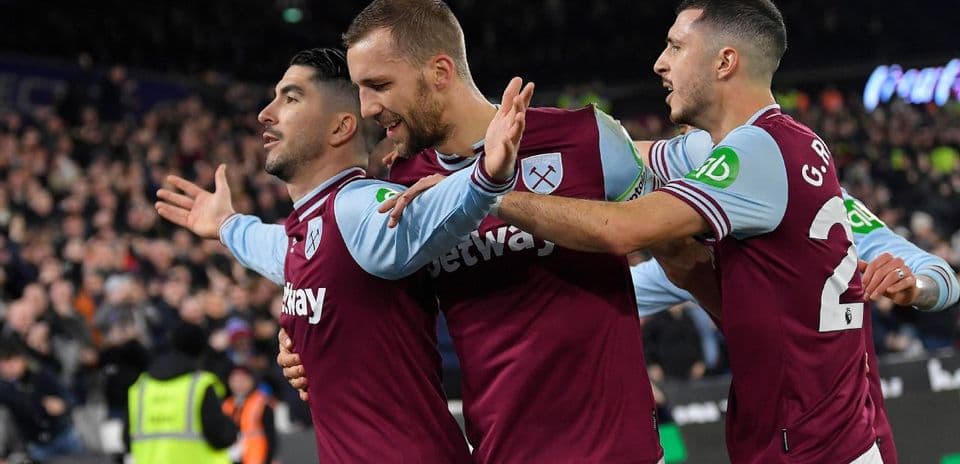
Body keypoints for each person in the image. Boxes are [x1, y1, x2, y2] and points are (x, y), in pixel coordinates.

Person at [465, 0, 888, 460]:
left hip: (811, 446)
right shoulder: (778, 142)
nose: (659, 63)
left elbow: (622, 230)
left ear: (725, 62)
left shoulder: (755, 151)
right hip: (818, 429)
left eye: (675, 46)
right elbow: (621, 153)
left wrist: (486, 193)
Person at [154, 47, 530, 462]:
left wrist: (485, 178)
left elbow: (419, 213)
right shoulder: (309, 231)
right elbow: (274, 248)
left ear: (341, 128)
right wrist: (227, 226)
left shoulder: (357, 207)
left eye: (291, 98)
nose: (266, 112)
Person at [125, 322, 237, 464]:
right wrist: (232, 427)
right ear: (201, 349)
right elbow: (220, 436)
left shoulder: (141, 388)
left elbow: (127, 439)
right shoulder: (199, 386)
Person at [0, 339, 84, 462]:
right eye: (3, 364)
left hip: (63, 435)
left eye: (11, 361)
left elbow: (70, 397)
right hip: (36, 446)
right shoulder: (3, 388)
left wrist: (63, 405)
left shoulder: (41, 374)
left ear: (22, 359)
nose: (8, 367)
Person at [222, 366, 276, 464]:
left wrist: (268, 459)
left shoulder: (262, 403)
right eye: (235, 380)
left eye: (242, 380)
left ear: (251, 380)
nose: (238, 384)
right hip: (232, 457)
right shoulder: (226, 405)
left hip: (256, 457)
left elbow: (271, 437)